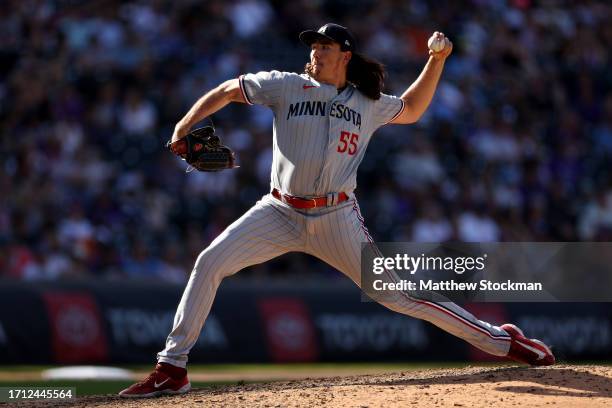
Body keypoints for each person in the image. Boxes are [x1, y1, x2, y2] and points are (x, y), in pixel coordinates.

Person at [119, 23, 554, 398]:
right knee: (209, 261)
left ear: (345, 55)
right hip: (278, 211)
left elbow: (415, 108)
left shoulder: (369, 102)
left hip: (336, 218)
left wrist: (436, 60)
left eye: (324, 47)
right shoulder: (287, 84)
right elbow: (229, 90)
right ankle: (172, 369)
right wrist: (183, 126)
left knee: (398, 296)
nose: (315, 52)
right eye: (313, 46)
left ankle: (502, 341)